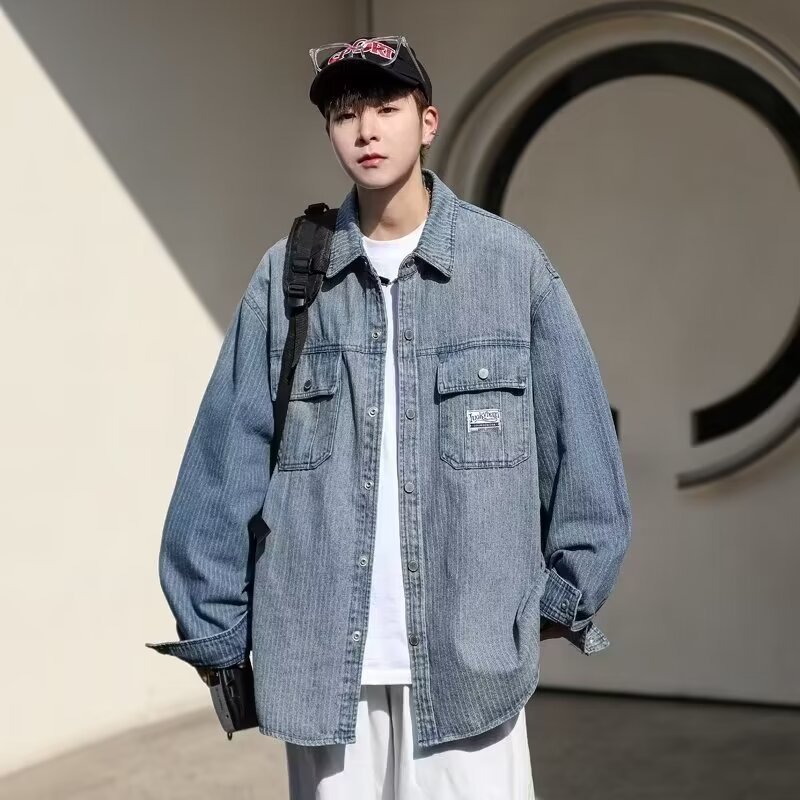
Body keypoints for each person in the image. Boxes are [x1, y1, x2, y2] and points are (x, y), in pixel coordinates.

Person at [145, 34, 632, 800]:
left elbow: (584, 456)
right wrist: (217, 628)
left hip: (472, 664)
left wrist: (554, 600)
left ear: (427, 121)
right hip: (320, 666)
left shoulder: (510, 267)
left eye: (385, 108)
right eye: (345, 115)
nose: (366, 129)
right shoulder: (289, 277)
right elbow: (225, 459)